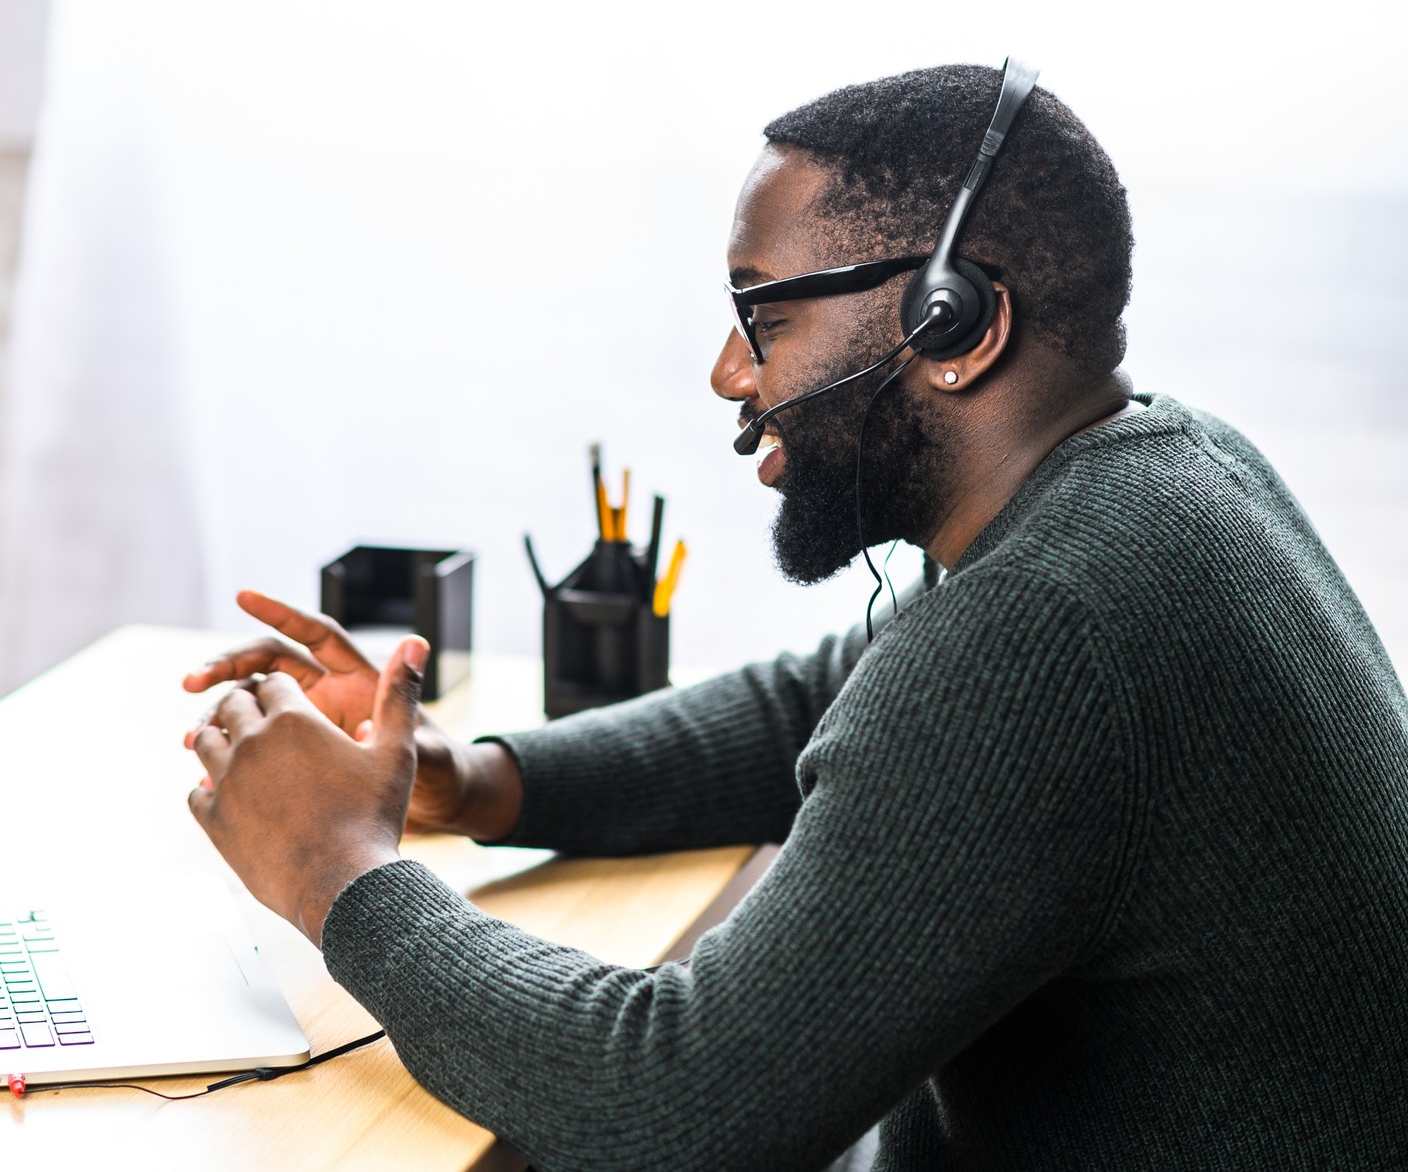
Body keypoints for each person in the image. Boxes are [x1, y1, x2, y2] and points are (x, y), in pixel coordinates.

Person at [177, 64, 1408, 1170]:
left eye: (765, 311)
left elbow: (678, 1104)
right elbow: (817, 699)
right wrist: (469, 778)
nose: (729, 369)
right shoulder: (1169, 472)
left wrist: (336, 870)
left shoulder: (1051, 626)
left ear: (955, 325)